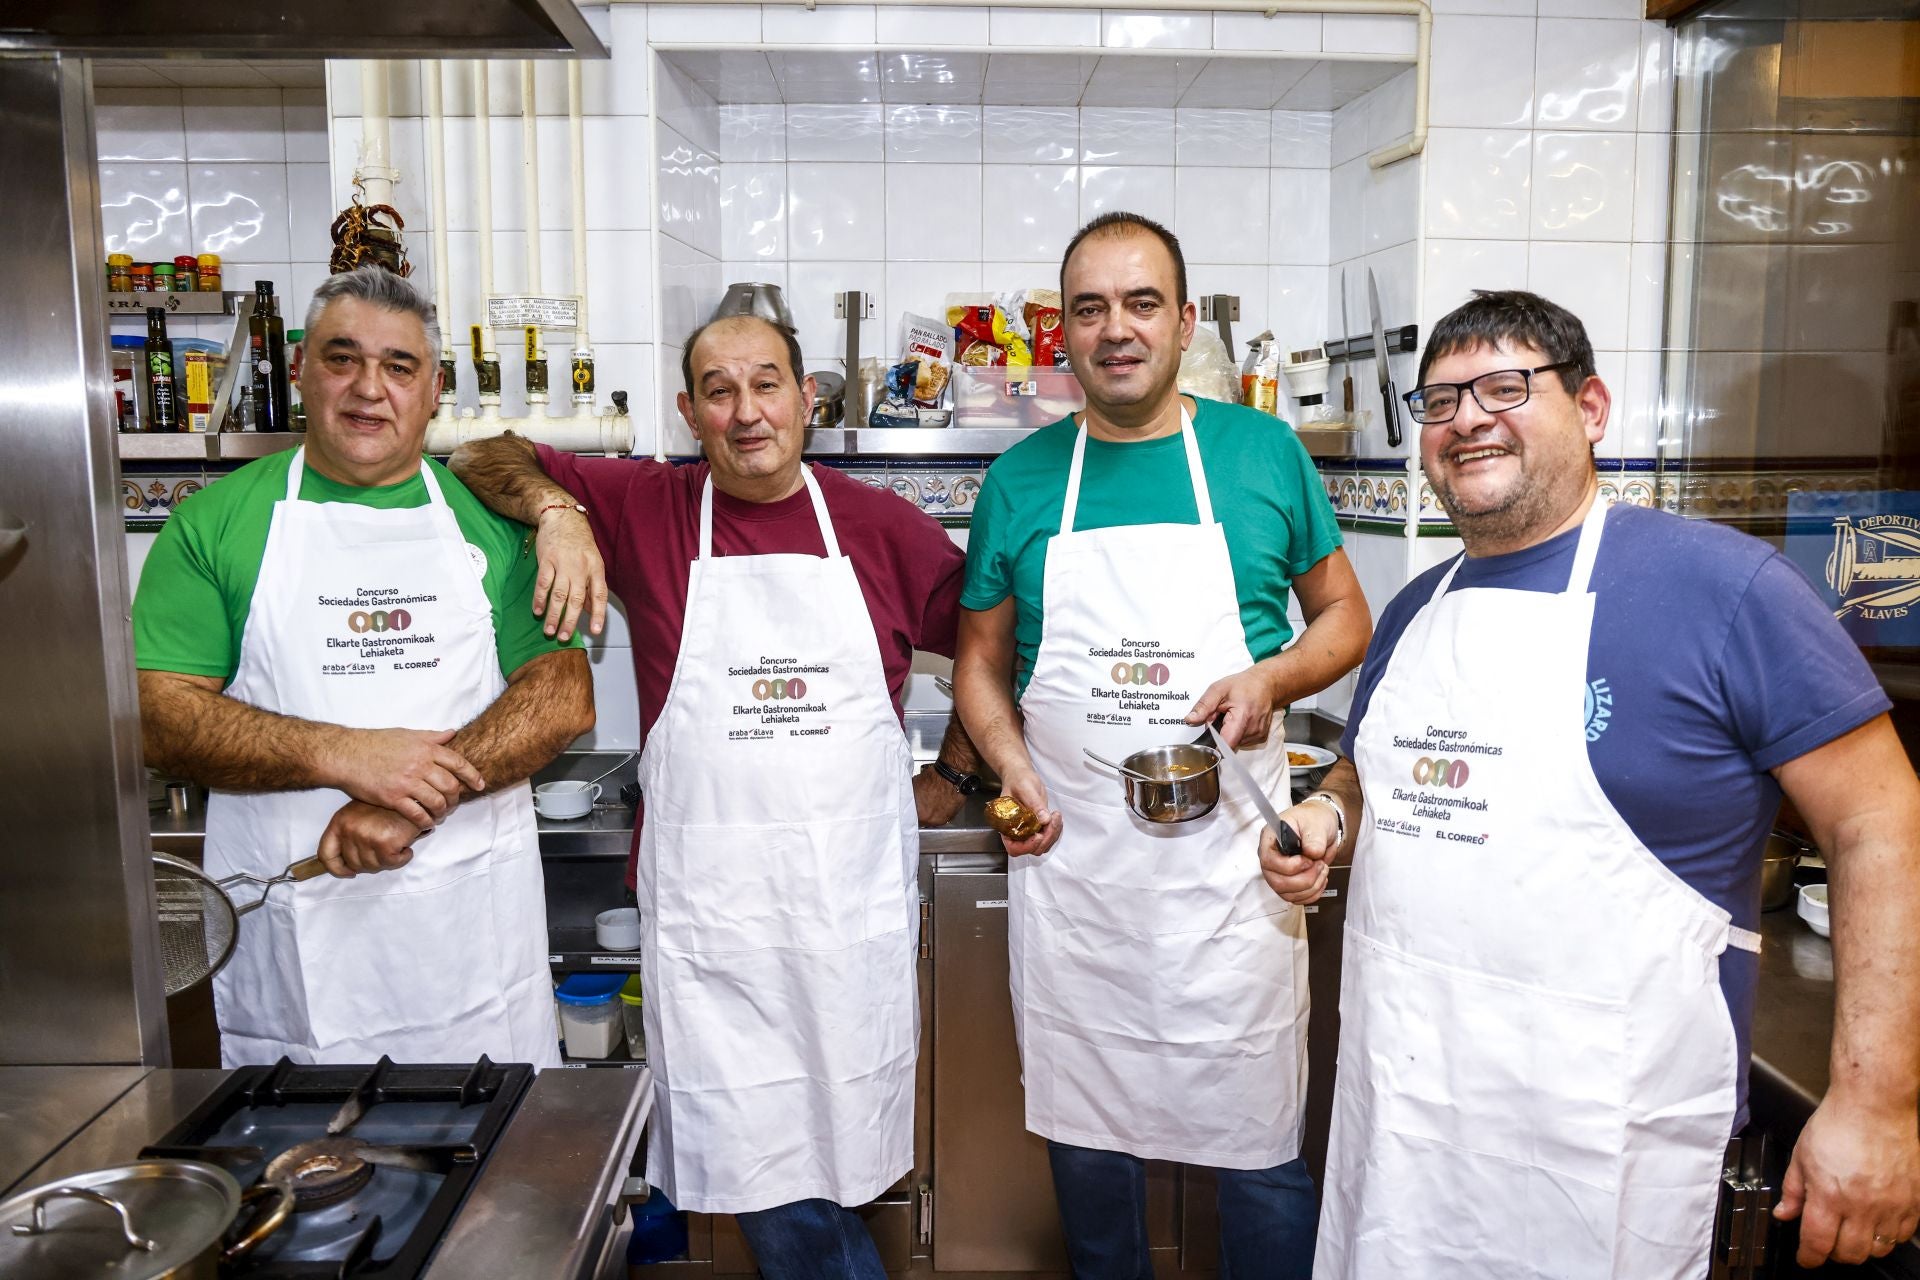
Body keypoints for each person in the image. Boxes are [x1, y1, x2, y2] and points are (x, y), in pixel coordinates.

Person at [1261, 289, 1920, 1277]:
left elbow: (1879, 817)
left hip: (1598, 1147)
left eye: (1505, 385)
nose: (1467, 418)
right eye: (1440, 401)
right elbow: (1368, 769)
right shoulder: (1412, 610)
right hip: (1403, 1130)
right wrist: (1328, 816)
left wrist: (1877, 1101)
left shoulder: (1723, 590)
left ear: (1593, 408)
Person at [448, 312, 980, 1276]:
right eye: (719, 391)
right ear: (689, 411)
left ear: (806, 399)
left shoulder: (880, 527)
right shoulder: (647, 503)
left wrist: (954, 773)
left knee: (819, 1168)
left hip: (838, 916)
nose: (747, 414)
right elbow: (485, 451)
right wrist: (561, 512)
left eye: (767, 384)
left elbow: (995, 640)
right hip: (716, 920)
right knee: (764, 1173)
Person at [952, 211, 1372, 1278]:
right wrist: (1013, 768)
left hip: (1234, 886)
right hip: (1081, 872)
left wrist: (1273, 678)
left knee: (1261, 1153)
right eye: (1089, 308)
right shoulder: (1022, 478)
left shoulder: (1262, 451)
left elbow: (1345, 620)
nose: (1116, 329)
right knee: (1090, 1145)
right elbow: (979, 669)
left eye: (1143, 303)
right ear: (1064, 336)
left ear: (1186, 323)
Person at [135, 266, 593, 1069]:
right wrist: (343, 753)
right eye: (342, 359)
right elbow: (156, 714)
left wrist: (411, 802)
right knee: (300, 1171)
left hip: (466, 946)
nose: (367, 389)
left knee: (486, 1174)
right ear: (304, 367)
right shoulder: (213, 522)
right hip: (297, 947)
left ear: (434, 388)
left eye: (398, 367)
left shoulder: (488, 524)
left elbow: (560, 697)